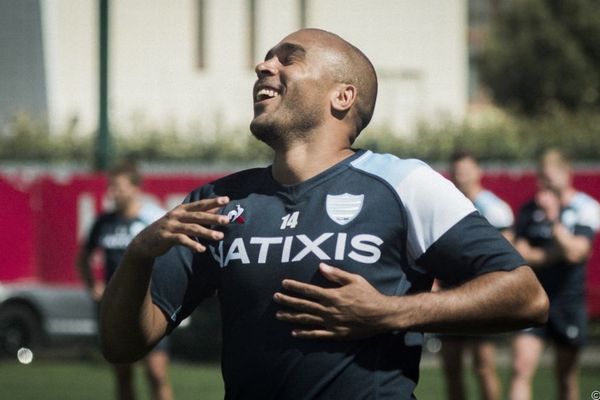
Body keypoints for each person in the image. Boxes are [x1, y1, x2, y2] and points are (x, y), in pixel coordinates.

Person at [100, 29, 548, 399]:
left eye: (288, 59)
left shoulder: (404, 183)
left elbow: (526, 296)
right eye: (266, 60)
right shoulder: (219, 200)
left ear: (343, 96)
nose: (264, 67)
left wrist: (391, 312)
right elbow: (123, 344)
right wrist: (139, 254)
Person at [77, 160, 174, 400]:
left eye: (118, 187)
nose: (112, 192)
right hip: (116, 305)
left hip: (149, 303)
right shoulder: (103, 222)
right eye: (110, 186)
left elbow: (171, 258)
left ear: (135, 188)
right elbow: (83, 258)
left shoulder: (152, 219)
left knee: (156, 372)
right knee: (123, 373)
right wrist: (92, 285)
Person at [509, 149, 600, 400]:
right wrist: (554, 253)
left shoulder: (584, 207)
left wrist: (551, 219)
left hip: (567, 302)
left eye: (548, 177)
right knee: (520, 368)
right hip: (532, 298)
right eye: (540, 177)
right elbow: (518, 253)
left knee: (566, 377)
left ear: (565, 174)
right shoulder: (529, 209)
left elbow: (576, 253)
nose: (542, 184)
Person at [437, 151, 515, 400]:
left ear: (478, 172)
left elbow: (506, 251)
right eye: (458, 171)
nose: (462, 176)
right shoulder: (446, 205)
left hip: (481, 294)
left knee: (483, 366)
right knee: (451, 368)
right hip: (449, 294)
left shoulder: (494, 208)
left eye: (467, 170)